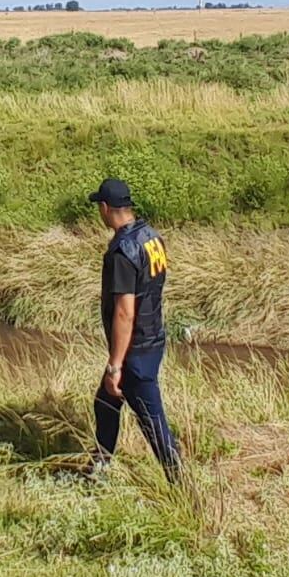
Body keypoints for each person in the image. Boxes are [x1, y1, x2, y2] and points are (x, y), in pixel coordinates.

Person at [87, 178, 181, 482]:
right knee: (105, 403)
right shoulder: (151, 237)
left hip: (135, 349)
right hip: (154, 336)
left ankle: (180, 483)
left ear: (105, 208)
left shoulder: (122, 251)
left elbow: (125, 312)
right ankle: (100, 466)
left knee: (153, 423)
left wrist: (115, 365)